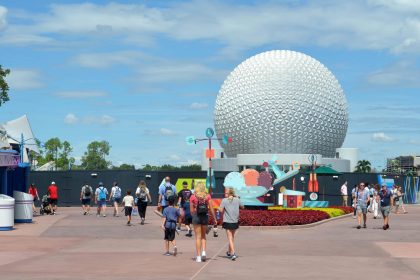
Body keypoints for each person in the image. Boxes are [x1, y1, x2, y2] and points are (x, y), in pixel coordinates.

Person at [189, 182, 217, 262]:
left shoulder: (193, 197)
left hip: (196, 217)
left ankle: (198, 257)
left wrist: (194, 212)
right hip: (205, 217)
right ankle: (204, 252)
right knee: (203, 236)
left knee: (198, 237)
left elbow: (191, 211)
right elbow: (211, 208)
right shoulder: (207, 196)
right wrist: (214, 218)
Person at [219, 188, 244, 261]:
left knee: (230, 238)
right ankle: (229, 252)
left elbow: (220, 210)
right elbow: (243, 207)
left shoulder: (224, 200)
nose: (225, 194)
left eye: (226, 193)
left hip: (227, 221)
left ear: (229, 193)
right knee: (232, 237)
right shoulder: (237, 199)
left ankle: (233, 253)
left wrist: (217, 207)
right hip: (235, 221)